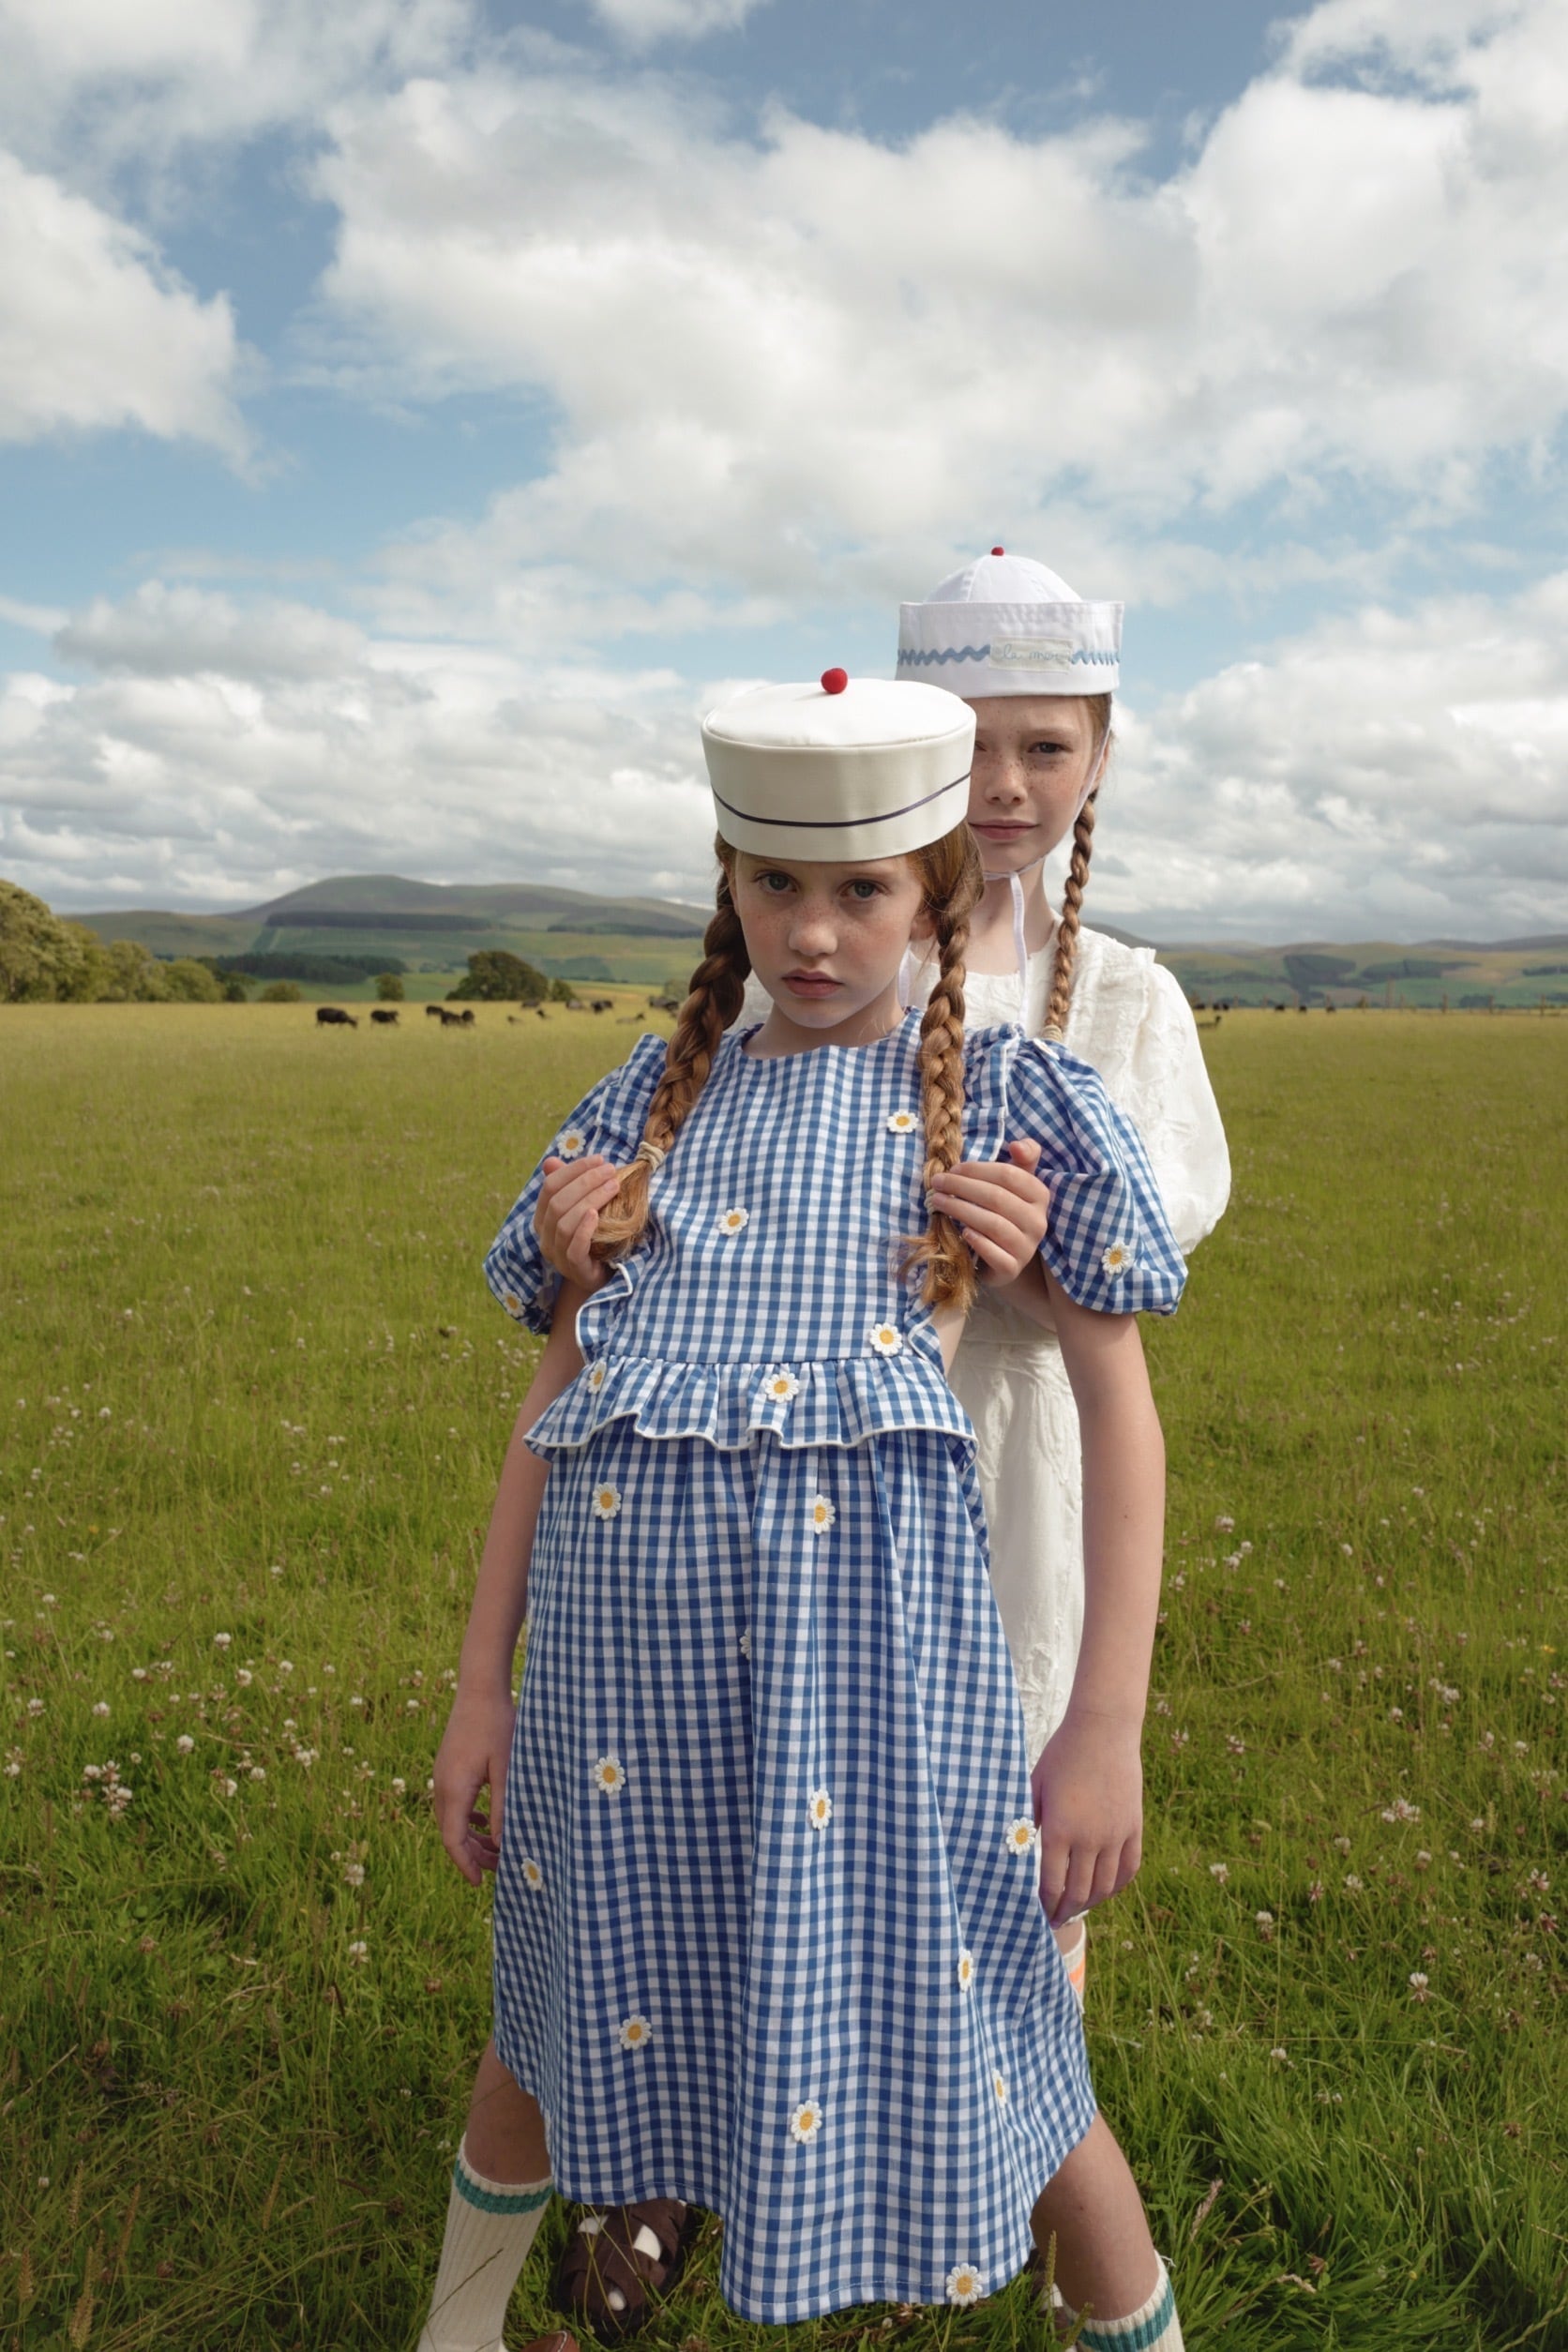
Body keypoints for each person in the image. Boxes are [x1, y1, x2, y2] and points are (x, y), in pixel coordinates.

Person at [417, 671, 1188, 2352]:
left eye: (862, 890)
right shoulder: (646, 1107)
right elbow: (550, 1416)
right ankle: (455, 2331)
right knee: (551, 2027)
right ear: (730, 884)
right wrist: (483, 1686)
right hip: (614, 1711)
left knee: (1008, 2052)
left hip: (880, 1719)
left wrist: (1104, 1726)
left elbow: (1117, 1412)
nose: (814, 933)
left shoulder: (1011, 1105)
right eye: (776, 884)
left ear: (936, 895)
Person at [894, 550, 1230, 1998]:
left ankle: (1025, 2121)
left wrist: (1034, 1274)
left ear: (1100, 757)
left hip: (1028, 1476)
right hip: (826, 1463)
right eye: (969, 745)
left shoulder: (1129, 1003)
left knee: (1016, 1876)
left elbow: (1123, 1301)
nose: (1004, 785)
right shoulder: (826, 967)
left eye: (1044, 747)